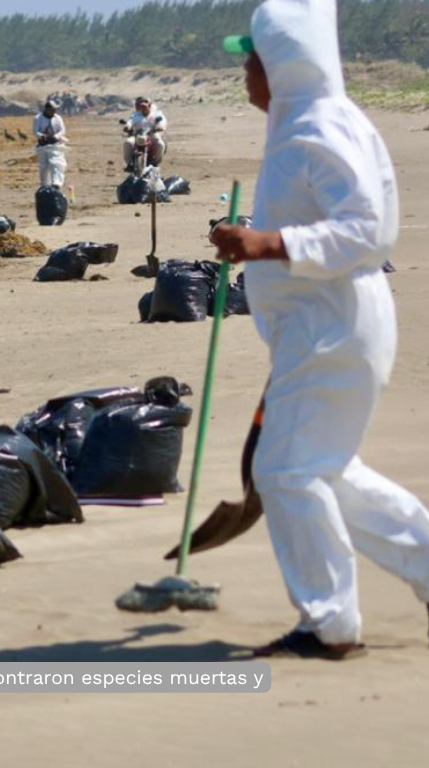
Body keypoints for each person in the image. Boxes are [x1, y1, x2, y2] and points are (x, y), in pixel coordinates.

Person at [210, 0, 429, 660]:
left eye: (253, 59)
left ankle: (329, 623)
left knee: (286, 473)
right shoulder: (304, 123)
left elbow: (368, 231)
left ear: (284, 64)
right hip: (326, 325)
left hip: (332, 326)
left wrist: (266, 243)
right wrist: (256, 244)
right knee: (324, 472)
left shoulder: (318, 126)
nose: (246, 71)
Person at [122, 96, 167, 169]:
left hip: (151, 134)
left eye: (145, 106)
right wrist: (127, 126)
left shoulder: (156, 113)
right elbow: (130, 121)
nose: (143, 108)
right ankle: (129, 163)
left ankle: (155, 163)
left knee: (160, 144)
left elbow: (162, 121)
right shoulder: (136, 115)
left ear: (150, 105)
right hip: (138, 135)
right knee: (128, 143)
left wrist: (160, 126)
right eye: (142, 107)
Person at [32, 99, 68, 189]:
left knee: (57, 163)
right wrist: (43, 136)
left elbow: (62, 130)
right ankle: (44, 185)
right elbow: (35, 131)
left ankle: (56, 183)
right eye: (52, 109)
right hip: (43, 146)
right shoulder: (38, 118)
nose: (54, 111)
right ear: (47, 109)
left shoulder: (58, 118)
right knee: (43, 167)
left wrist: (56, 136)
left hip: (55, 145)